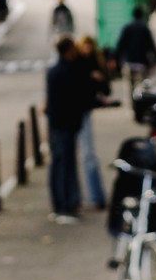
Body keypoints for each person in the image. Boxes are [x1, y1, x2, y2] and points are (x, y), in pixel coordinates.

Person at [44, 35, 83, 223]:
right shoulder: (66, 71)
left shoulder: (54, 71)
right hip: (64, 125)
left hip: (58, 125)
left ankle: (63, 203)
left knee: (59, 164)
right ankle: (64, 205)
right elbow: (73, 98)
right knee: (64, 164)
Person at [73, 36, 113, 211]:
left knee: (88, 154)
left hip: (84, 110)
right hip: (78, 110)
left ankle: (96, 196)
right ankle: (90, 196)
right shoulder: (77, 63)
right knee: (85, 155)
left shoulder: (96, 61)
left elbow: (105, 88)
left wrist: (99, 79)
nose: (87, 50)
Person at [112, 6, 156, 107]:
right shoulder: (145, 28)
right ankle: (140, 105)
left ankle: (131, 106)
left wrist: (115, 59)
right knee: (141, 85)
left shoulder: (127, 27)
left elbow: (120, 45)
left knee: (129, 86)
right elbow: (151, 45)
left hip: (128, 62)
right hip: (142, 62)